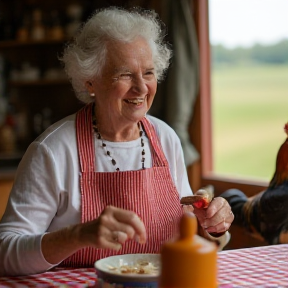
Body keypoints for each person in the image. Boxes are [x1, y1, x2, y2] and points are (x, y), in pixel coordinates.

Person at [0, 7, 234, 276]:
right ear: (91, 82)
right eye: (124, 74)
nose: (141, 87)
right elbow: (5, 251)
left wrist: (213, 224)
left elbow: (188, 232)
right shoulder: (53, 151)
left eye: (148, 72)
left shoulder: (166, 138)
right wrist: (77, 235)